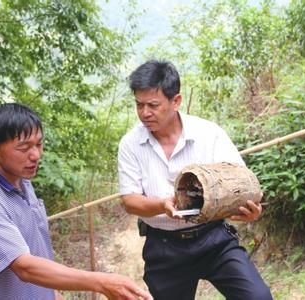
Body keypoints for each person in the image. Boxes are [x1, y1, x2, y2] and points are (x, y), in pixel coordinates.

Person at [0, 103, 152, 300]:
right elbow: (25, 267)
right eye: (24, 148)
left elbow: (34, 248)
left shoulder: (21, 181)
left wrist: (53, 294)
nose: (36, 155)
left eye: (38, 145)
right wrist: (103, 282)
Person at [117, 60, 273, 300]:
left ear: (175, 101)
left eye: (153, 105)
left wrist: (250, 210)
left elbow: (241, 184)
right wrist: (162, 205)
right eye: (139, 105)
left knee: (257, 297)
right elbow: (130, 201)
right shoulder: (130, 144)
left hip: (214, 239)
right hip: (164, 247)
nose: (144, 113)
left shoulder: (209, 134)